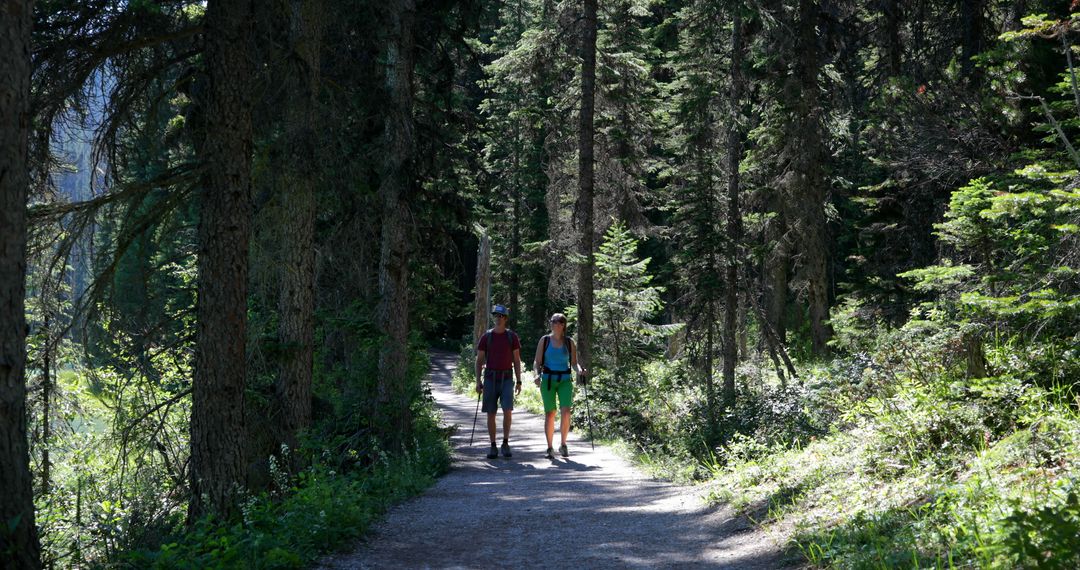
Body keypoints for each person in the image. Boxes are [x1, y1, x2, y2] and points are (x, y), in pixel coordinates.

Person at [532, 312, 587, 459]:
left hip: (565, 380)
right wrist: (536, 375)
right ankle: (550, 447)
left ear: (564, 325)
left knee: (566, 411)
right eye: (553, 321)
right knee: (550, 414)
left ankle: (563, 444)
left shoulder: (570, 342)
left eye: (559, 322)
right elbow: (537, 362)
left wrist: (580, 371)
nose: (556, 324)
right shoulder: (544, 341)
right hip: (548, 380)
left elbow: (574, 364)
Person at [476, 304, 523, 459]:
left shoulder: (512, 337)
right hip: (490, 378)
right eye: (496, 315)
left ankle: (505, 443)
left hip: (507, 378)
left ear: (506, 318)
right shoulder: (486, 337)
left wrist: (519, 381)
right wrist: (478, 381)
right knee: (491, 413)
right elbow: (479, 360)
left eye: (501, 316)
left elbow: (516, 360)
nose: (498, 318)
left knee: (507, 411)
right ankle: (493, 446)